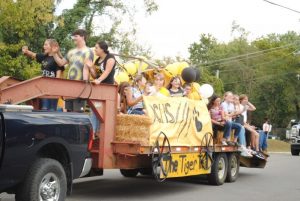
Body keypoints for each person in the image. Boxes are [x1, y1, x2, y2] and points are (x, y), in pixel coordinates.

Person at [52, 29, 94, 112]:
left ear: (82, 37)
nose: (73, 38)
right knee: (68, 112)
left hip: (80, 86)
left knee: (78, 113)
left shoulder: (88, 51)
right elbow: (61, 63)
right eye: (73, 36)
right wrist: (54, 53)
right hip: (70, 85)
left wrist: (84, 86)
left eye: (76, 36)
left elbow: (86, 69)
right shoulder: (71, 51)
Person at [22, 39, 65, 111]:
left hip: (53, 90)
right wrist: (25, 50)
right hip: (44, 88)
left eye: (46, 45)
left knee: (51, 110)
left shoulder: (58, 59)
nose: (43, 46)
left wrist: (55, 90)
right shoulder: (44, 57)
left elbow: (58, 77)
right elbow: (33, 54)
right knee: (44, 108)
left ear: (52, 47)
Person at [221, 92, 252, 157]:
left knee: (239, 126)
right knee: (230, 123)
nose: (231, 98)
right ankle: (226, 140)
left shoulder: (232, 105)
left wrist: (240, 111)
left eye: (231, 97)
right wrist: (232, 114)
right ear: (225, 97)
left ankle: (235, 141)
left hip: (230, 120)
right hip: (224, 120)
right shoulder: (223, 104)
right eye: (229, 97)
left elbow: (233, 114)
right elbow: (227, 114)